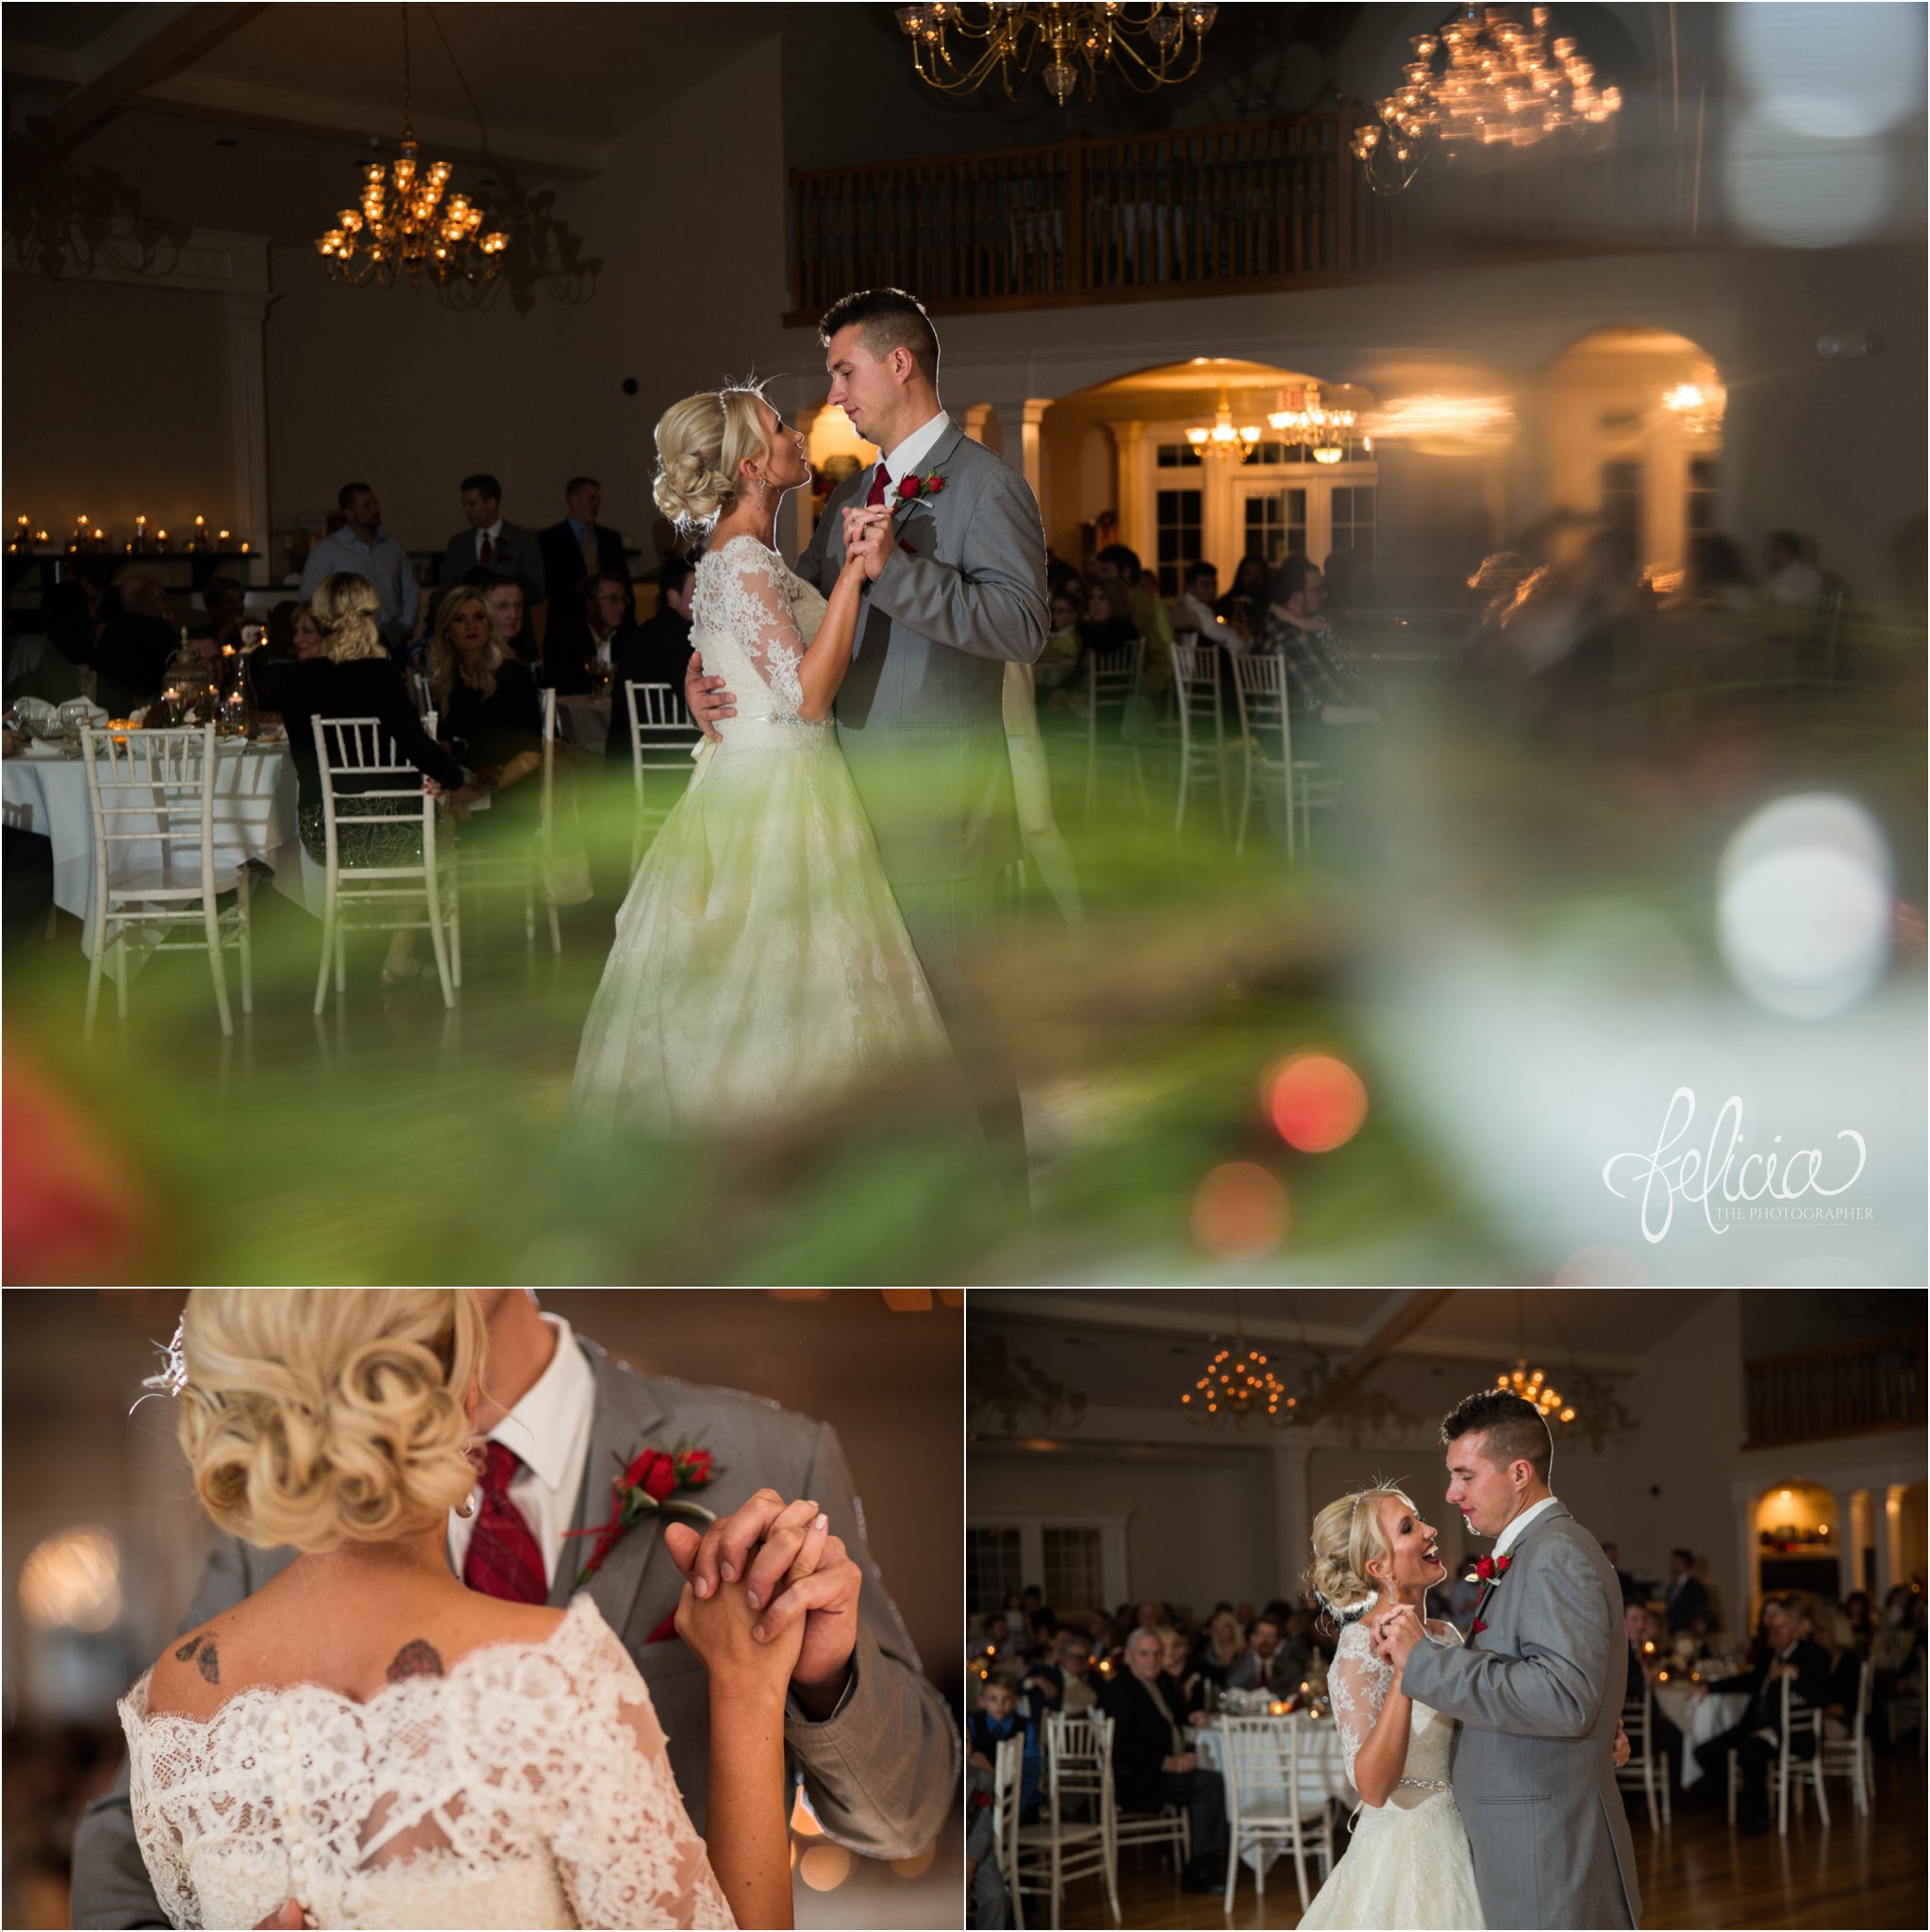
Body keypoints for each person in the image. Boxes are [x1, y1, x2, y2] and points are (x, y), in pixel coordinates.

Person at [75, 1289, 953, 1929]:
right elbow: (116, 1869)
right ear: (464, 1400)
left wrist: (817, 1672)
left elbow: (908, 1813)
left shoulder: (174, 1697)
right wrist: (746, 1690)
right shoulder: (562, 1673)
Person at [686, 289, 1049, 1193]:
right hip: (832, 812)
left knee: (960, 1034)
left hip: (937, 816)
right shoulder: (850, 491)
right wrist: (706, 678)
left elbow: (1022, 627)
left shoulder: (987, 484)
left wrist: (900, 573)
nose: (835, 393)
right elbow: (790, 622)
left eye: (844, 371)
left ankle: (998, 1219)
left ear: (900, 363)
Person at [574, 382, 965, 1140]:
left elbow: (752, 659)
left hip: (781, 776)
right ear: (754, 465)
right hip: (778, 792)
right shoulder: (741, 560)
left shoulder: (750, 557)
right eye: (782, 427)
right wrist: (855, 572)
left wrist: (706, 680)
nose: (798, 434)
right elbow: (808, 697)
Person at [1375, 1390, 1640, 1929]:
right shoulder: (1538, 1551)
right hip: (1533, 1835)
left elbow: (1562, 1697)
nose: (1451, 1494)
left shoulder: (1554, 1554)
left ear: (1519, 1473)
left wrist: (1425, 1662)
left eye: (1465, 1475)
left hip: (1543, 1845)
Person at [257, 574, 466, 988]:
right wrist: (452, 777)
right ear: (363, 617)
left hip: (325, 828)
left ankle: (359, 942)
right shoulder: (379, 673)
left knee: (406, 825)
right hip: (391, 827)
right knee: (430, 829)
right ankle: (398, 955)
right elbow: (412, 743)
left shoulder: (297, 679)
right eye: (373, 612)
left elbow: (304, 760)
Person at [1100, 1626, 1226, 1893]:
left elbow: (1177, 1717)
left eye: (1157, 1654)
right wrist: (1166, 1762)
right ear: (1130, 1656)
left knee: (1208, 1776)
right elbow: (1121, 1746)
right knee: (1210, 1783)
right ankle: (1199, 1867)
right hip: (1136, 1779)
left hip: (1166, 1771)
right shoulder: (1118, 1690)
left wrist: (1193, 1715)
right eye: (1144, 1654)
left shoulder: (1163, 1682)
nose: (1152, 1660)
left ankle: (1205, 1859)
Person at [1689, 1595, 1828, 1835]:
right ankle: (1742, 1798)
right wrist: (1710, 1687)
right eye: (1772, 1628)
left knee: (1750, 1749)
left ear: (1795, 1630)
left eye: (1781, 1627)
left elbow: (1820, 1695)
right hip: (1756, 1724)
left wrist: (1793, 1675)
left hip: (1790, 1730)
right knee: (1705, 1753)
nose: (1774, 1633)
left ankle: (1760, 1816)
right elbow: (1748, 1681)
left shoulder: (1812, 1654)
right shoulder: (1767, 1656)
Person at [426, 586, 543, 847]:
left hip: (511, 790)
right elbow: (444, 744)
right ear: (447, 630)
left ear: (489, 625)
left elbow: (532, 754)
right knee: (427, 811)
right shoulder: (447, 681)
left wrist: (479, 790)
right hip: (467, 783)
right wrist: (453, 787)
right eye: (459, 619)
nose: (471, 626)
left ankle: (446, 885)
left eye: (479, 617)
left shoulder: (513, 674)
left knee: (435, 821)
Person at [299, 483, 421, 651]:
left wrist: (406, 627)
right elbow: (309, 596)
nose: (376, 509)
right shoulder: (327, 549)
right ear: (349, 513)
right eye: (367, 506)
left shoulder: (393, 547)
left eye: (376, 503)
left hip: (392, 638)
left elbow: (410, 589)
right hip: (349, 640)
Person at [607, 557, 698, 758]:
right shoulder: (681, 636)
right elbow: (692, 696)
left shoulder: (640, 633)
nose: (705, 596)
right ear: (673, 596)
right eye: (696, 589)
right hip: (672, 757)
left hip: (627, 755)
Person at [540, 476, 631, 666]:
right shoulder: (550, 539)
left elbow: (624, 581)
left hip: (608, 626)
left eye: (598, 500)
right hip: (568, 622)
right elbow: (551, 583)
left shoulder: (610, 538)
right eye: (591, 498)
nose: (596, 504)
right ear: (573, 499)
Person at [441, 471, 546, 602]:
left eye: (472, 504)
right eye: (464, 504)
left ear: (491, 503)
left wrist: (500, 592)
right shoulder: (458, 543)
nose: (467, 510)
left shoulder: (523, 539)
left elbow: (537, 590)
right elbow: (447, 589)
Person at [91, 574, 176, 714]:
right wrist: (171, 630)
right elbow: (172, 669)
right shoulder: (159, 629)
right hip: (145, 708)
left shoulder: (109, 628)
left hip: (106, 704)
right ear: (153, 604)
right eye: (162, 598)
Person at [1094, 543, 1173, 692]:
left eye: (1106, 571)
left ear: (1126, 572)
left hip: (1137, 691)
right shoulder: (1099, 605)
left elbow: (1165, 657)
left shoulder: (1150, 606)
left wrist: (1143, 690)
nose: (1101, 577)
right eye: (1100, 572)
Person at [551, 573, 637, 697]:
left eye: (624, 600)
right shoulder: (567, 640)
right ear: (591, 604)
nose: (622, 606)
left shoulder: (629, 639)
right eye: (613, 599)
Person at [1172, 560, 1246, 655]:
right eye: (1205, 585)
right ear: (1190, 587)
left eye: (1214, 584)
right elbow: (1226, 638)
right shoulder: (1195, 610)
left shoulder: (1182, 605)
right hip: (1206, 666)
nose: (1212, 590)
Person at [1217, 554, 1271, 643]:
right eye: (1248, 573)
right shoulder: (1226, 604)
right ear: (1240, 576)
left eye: (1257, 573)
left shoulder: (1270, 606)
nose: (1254, 578)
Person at [1763, 528, 1824, 607]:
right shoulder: (1778, 576)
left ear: (1782, 550)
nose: (1766, 555)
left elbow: (1806, 605)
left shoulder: (1809, 575)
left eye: (1769, 549)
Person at [485, 574, 536, 663]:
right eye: (502, 606)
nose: (514, 615)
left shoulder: (524, 650)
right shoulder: (477, 659)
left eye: (517, 605)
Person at [1664, 1548, 1710, 1635]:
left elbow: (1700, 1612)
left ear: (1684, 1564)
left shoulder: (1695, 1587)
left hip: (1689, 1634)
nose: (1671, 1565)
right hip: (1673, 1633)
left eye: (1675, 1562)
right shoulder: (1672, 1586)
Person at [1602, 1541, 1638, 1605]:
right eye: (1609, 1557)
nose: (1612, 1561)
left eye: (1614, 1558)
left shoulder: (1626, 1579)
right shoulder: (1597, 1578)